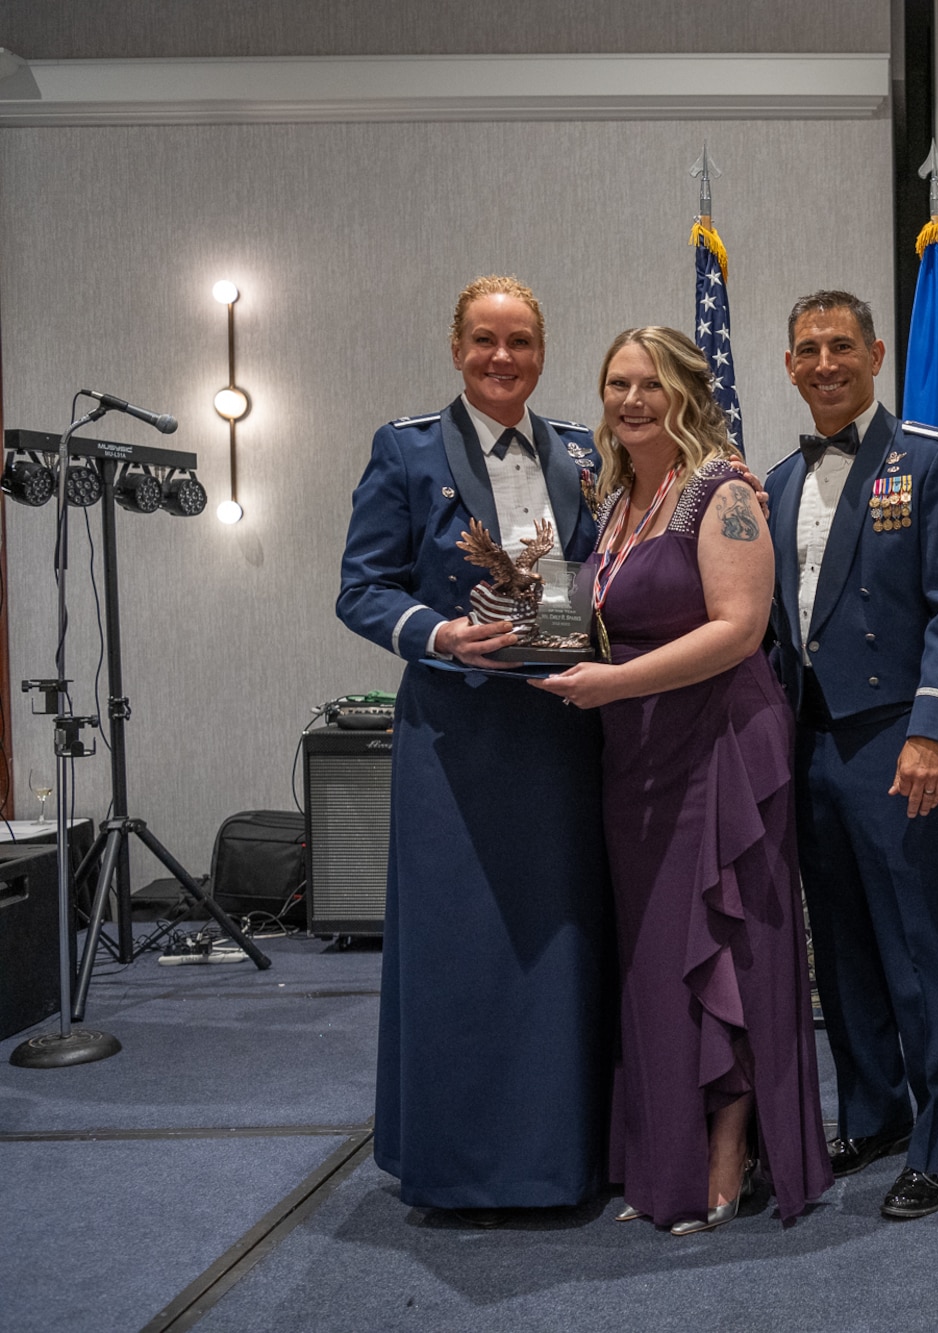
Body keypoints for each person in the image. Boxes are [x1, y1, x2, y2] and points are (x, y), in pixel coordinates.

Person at [532, 327, 832, 1234]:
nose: (631, 400)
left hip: (721, 745)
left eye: (650, 385)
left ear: (687, 394)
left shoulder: (723, 489)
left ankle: (730, 1148)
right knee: (657, 952)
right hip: (637, 750)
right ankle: (664, 1144)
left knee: (724, 940)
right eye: (617, 383)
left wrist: (612, 682)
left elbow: (739, 628)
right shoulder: (618, 497)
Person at [336, 275, 611, 1223]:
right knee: (460, 948)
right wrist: (439, 634)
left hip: (562, 735)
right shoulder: (406, 449)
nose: (504, 358)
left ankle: (565, 1156)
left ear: (542, 351)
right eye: (487, 340)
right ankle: (459, 1168)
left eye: (522, 341)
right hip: (454, 740)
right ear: (457, 347)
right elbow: (361, 587)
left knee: (563, 946)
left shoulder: (584, 451)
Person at [765, 290, 938, 1220]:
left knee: (920, 943)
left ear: (875, 353)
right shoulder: (775, 481)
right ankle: (875, 1111)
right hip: (807, 738)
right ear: (788, 364)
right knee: (844, 945)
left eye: (841, 346)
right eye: (808, 349)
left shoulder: (932, 460)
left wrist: (934, 731)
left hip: (898, 739)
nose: (825, 363)